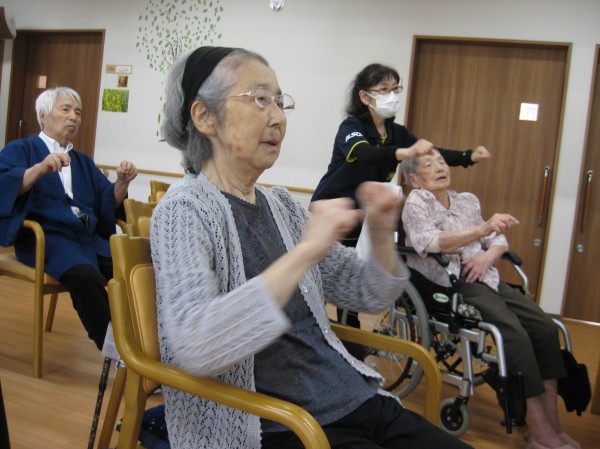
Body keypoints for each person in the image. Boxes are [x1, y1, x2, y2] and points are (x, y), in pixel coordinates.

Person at [152, 45, 473, 449]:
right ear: (205, 117)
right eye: (260, 99)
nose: (278, 118)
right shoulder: (183, 210)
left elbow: (368, 293)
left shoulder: (282, 206)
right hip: (280, 425)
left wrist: (378, 228)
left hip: (354, 398)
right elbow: (197, 346)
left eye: (280, 101)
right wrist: (304, 252)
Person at [400, 151, 580, 449]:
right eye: (430, 165)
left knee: (546, 329)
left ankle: (553, 424)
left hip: (487, 276)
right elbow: (430, 242)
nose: (441, 167)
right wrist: (481, 231)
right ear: (415, 179)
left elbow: (497, 239)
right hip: (454, 284)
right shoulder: (416, 203)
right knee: (514, 335)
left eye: (442, 163)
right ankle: (539, 431)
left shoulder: (466, 200)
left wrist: (487, 257)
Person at [311, 63, 491, 330]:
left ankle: (352, 339)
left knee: (357, 279)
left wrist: (467, 157)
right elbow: (364, 153)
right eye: (383, 89)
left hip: (367, 215)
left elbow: (431, 152)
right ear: (364, 96)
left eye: (395, 89)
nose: (392, 95)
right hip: (335, 208)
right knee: (327, 279)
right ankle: (326, 332)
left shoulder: (397, 133)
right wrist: (402, 153)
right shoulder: (351, 127)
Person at [0, 86, 138, 350]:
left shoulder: (83, 162)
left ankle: (149, 342)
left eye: (78, 112)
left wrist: (122, 182)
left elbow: (107, 200)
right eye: (66, 109)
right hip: (47, 240)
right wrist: (39, 169)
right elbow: (4, 184)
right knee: (85, 277)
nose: (74, 116)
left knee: (135, 266)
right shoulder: (21, 150)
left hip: (86, 239)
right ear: (43, 115)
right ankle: (118, 351)